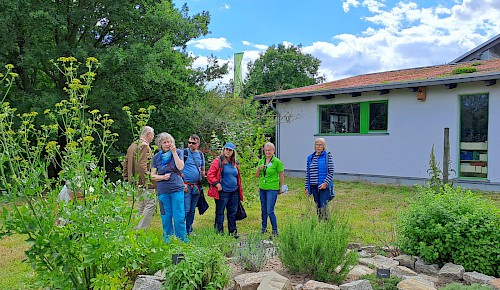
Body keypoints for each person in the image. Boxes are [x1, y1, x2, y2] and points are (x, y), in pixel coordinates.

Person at [150, 132, 188, 243]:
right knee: (166, 218)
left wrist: (174, 152)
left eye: (169, 142)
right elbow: (152, 175)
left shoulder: (178, 152)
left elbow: (180, 167)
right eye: (165, 142)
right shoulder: (156, 157)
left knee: (179, 217)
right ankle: (168, 241)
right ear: (160, 144)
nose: (167, 144)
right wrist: (162, 177)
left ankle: (182, 241)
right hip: (163, 192)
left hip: (176, 190)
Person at [207, 142, 244, 238]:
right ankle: (219, 233)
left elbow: (237, 176)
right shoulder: (218, 161)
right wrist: (216, 183)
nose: (228, 151)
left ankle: (233, 232)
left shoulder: (234, 162)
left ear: (233, 151)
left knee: (232, 213)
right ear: (223, 150)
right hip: (223, 193)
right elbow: (210, 175)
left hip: (234, 192)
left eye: (230, 150)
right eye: (227, 149)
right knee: (220, 213)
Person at [123, 126, 156, 229]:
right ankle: (141, 228)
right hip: (143, 181)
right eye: (153, 135)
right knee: (151, 204)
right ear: (149, 134)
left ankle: (137, 228)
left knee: (141, 204)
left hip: (135, 181)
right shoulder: (144, 146)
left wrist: (127, 178)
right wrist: (148, 182)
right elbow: (142, 166)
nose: (153, 137)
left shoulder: (133, 145)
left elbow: (126, 163)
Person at [255, 142, 285, 236]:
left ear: (273, 151)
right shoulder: (261, 161)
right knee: (263, 209)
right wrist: (259, 169)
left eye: (270, 150)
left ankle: (275, 230)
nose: (268, 152)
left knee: (270, 210)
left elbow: (281, 176)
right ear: (264, 151)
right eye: (266, 150)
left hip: (272, 188)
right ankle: (263, 228)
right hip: (262, 188)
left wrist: (280, 188)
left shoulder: (277, 162)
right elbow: (256, 176)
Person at [305, 138, 335, 220]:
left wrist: (325, 183)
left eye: (320, 145)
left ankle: (326, 225)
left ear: (324, 146)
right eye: (317, 144)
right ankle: (320, 223)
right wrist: (307, 187)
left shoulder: (327, 156)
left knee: (323, 205)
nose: (318, 146)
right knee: (318, 205)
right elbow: (308, 174)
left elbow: (331, 172)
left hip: (323, 186)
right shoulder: (310, 157)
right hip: (314, 185)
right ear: (314, 146)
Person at [181, 134, 206, 235]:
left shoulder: (200, 155)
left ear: (198, 144)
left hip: (196, 187)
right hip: (186, 186)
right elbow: (177, 169)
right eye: (189, 142)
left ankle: (189, 229)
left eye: (193, 143)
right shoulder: (184, 153)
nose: (191, 145)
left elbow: (203, 169)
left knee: (192, 209)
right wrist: (182, 184)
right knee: (185, 209)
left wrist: (202, 176)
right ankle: (180, 230)